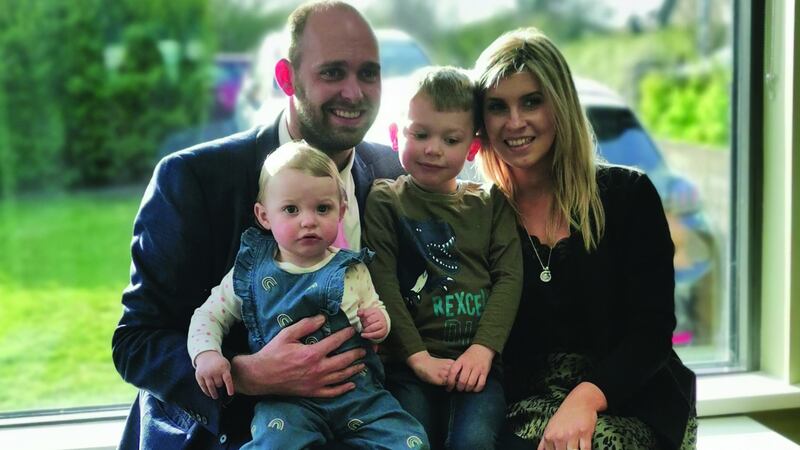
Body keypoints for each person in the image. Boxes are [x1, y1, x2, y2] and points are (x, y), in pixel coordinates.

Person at [111, 2, 405, 449]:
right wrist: (246, 374)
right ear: (286, 78)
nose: (354, 91)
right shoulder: (193, 179)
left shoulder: (391, 171)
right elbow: (136, 341)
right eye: (332, 73)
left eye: (369, 73)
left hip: (369, 423)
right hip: (233, 431)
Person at [472, 28, 697, 450]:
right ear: (480, 121)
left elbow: (652, 332)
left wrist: (585, 400)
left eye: (532, 102)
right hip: (522, 406)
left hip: (630, 394)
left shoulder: (627, 196)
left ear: (560, 105)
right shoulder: (479, 216)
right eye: (497, 107)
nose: (515, 122)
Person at [187, 141, 428, 449]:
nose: (308, 220)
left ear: (340, 212)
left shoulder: (352, 268)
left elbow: (374, 308)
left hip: (359, 396)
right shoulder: (248, 273)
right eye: (291, 210)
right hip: (288, 403)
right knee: (274, 444)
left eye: (322, 208)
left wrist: (378, 323)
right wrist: (207, 355)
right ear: (263, 216)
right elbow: (209, 315)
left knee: (411, 441)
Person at [362, 66, 524, 449]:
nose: (433, 149)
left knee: (474, 441)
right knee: (410, 440)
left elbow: (509, 277)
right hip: (408, 367)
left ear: (471, 148)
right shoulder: (386, 200)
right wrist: (418, 357)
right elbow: (381, 279)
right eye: (420, 135)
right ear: (393, 134)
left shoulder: (490, 202)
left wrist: (483, 350)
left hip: (478, 368)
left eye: (450, 140)